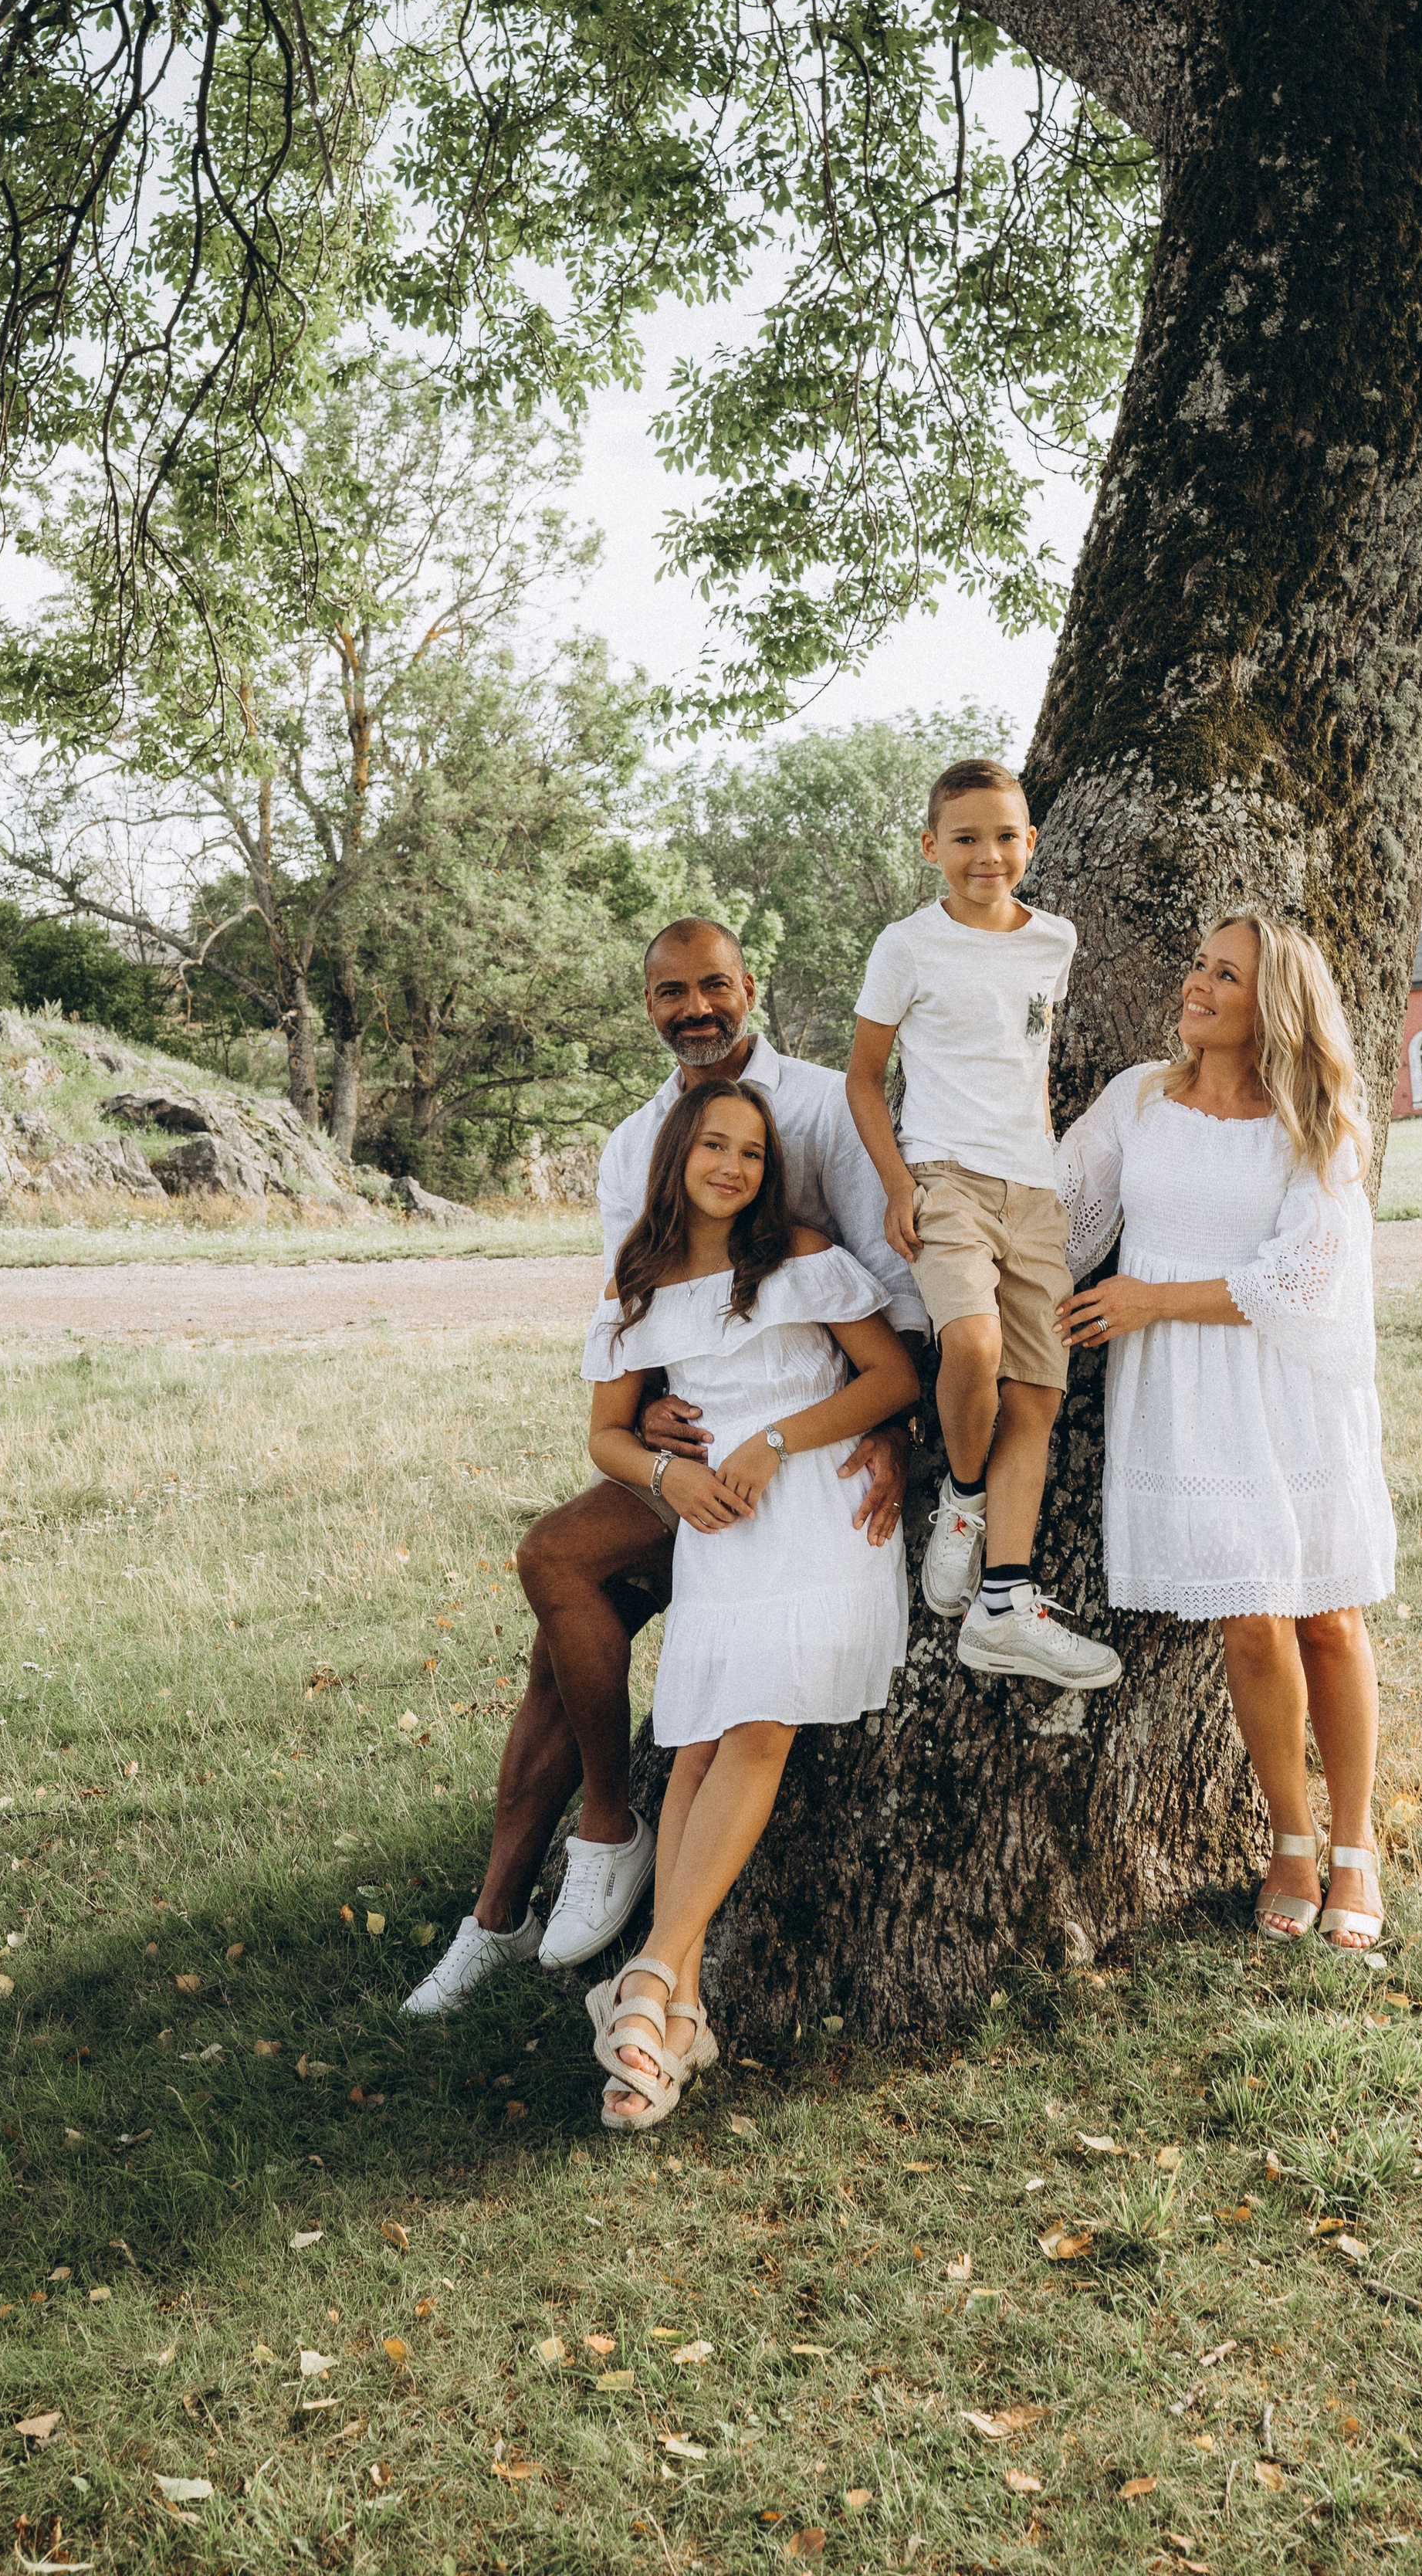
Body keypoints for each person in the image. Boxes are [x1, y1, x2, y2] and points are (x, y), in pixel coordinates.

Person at [403, 918, 922, 2018]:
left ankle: (552, 1889)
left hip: (811, 1428)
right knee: (560, 1573)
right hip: (685, 1446)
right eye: (671, 992)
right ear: (647, 1002)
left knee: (570, 1628)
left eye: (715, 987)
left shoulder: (827, 1103)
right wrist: (652, 1450)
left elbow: (893, 1287)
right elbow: (629, 1311)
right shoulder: (632, 1139)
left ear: (750, 987)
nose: (696, 1009)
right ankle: (569, 1855)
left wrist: (888, 1429)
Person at [1053, 915, 1394, 1954]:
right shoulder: (1140, 1101)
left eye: (1224, 974)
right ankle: (1291, 1838)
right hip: (1184, 1397)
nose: (1195, 983)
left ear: (1272, 1003)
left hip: (1287, 1382)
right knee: (1251, 1618)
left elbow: (1307, 1276)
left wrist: (1152, 1298)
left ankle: (1355, 1843)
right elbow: (1056, 1217)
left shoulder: (1318, 1121)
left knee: (1328, 1618)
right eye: (1197, 963)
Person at [583, 1077, 918, 2128]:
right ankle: (675, 2021)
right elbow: (605, 1434)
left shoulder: (802, 1257)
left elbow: (892, 1379)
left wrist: (777, 1444)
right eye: (715, 1146)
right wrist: (661, 1478)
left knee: (760, 1726)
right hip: (717, 1524)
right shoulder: (635, 1283)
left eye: (754, 1154)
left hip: (817, 1506)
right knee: (694, 1744)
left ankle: (644, 1981)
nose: (734, 1167)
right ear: (677, 1151)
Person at [847, 758, 1119, 1691]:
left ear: (1030, 843)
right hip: (943, 1177)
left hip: (1031, 1189)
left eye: (1005, 836)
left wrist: (1037, 1148)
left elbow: (1027, 1055)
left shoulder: (1055, 941)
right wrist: (896, 1186)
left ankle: (1003, 1601)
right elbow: (862, 1078)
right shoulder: (907, 947)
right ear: (931, 847)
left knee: (1036, 1393)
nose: (986, 855)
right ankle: (961, 1497)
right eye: (964, 838)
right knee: (969, 1344)